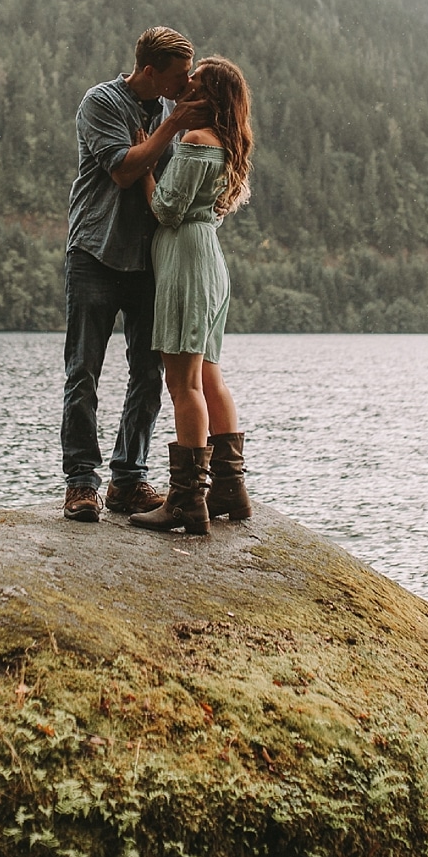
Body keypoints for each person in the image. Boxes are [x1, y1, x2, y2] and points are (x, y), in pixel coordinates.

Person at [59, 27, 210, 522]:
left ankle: (128, 478)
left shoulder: (172, 111)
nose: (184, 83)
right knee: (84, 371)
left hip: (150, 261)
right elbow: (124, 170)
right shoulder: (100, 102)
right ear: (149, 71)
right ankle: (81, 483)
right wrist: (169, 130)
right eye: (178, 75)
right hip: (95, 254)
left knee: (148, 374)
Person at [131, 56, 255, 536]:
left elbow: (165, 209)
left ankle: (186, 500)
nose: (184, 91)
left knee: (182, 384)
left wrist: (144, 162)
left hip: (186, 261)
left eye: (195, 86)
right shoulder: (228, 144)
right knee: (209, 376)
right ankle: (230, 488)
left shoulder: (195, 140)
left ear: (210, 99)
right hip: (211, 261)